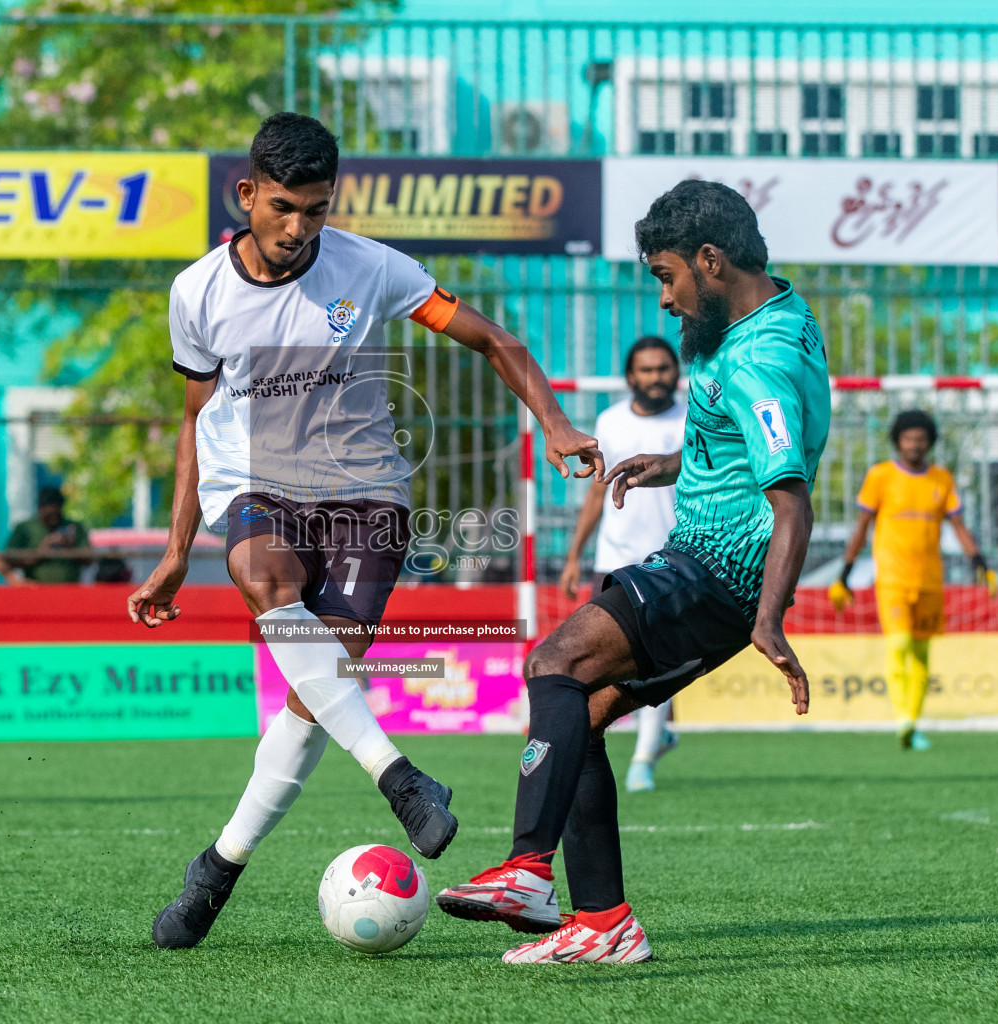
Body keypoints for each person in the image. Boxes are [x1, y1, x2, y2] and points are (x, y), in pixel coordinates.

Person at [130, 112, 601, 950]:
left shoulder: (372, 267)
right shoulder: (196, 291)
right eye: (282, 207)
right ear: (247, 195)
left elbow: (492, 339)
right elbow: (194, 416)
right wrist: (173, 552)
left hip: (365, 497)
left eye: (315, 208)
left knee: (315, 695)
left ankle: (217, 870)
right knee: (270, 585)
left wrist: (557, 426)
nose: (298, 227)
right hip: (255, 485)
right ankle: (400, 777)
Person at [436, 179, 831, 964]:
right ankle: (604, 921)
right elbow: (759, 446)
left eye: (666, 276)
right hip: (705, 564)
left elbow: (792, 502)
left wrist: (768, 619)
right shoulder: (776, 313)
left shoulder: (760, 359)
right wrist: (683, 462)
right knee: (575, 714)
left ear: (710, 261)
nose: (664, 299)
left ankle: (526, 870)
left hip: (716, 571)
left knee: (553, 663)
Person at [559, 337, 687, 793]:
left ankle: (643, 758)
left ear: (676, 372)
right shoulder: (610, 421)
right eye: (646, 370)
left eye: (663, 369)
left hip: (674, 557)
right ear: (632, 376)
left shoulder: (695, 418)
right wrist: (575, 555)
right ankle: (642, 738)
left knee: (657, 662)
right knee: (607, 663)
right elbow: (597, 490)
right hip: (613, 559)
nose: (656, 377)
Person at [828, 410, 997, 751]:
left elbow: (959, 528)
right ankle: (903, 719)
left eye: (921, 439)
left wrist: (981, 564)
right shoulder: (881, 476)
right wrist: (843, 575)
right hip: (891, 578)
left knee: (921, 654)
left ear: (929, 443)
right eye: (908, 439)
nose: (914, 445)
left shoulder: (941, 480)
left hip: (931, 581)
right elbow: (861, 529)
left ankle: (912, 724)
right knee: (899, 644)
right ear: (898, 441)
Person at [5, 486, 92, 583]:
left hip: (69, 590)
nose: (54, 513)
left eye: (57, 508)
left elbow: (89, 560)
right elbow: (9, 560)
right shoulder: (25, 528)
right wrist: (40, 553)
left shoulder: (74, 527)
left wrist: (70, 547)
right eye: (49, 510)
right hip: (35, 589)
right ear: (40, 508)